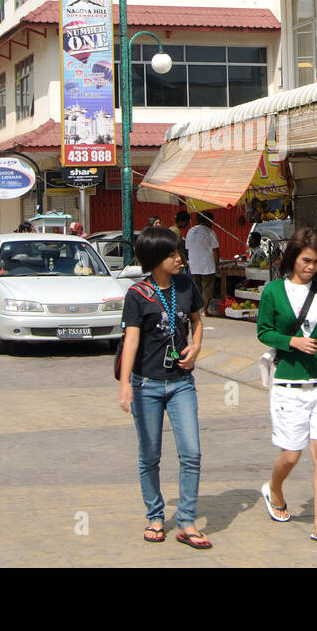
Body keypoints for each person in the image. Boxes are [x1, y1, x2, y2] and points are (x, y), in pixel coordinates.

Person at [116, 226, 209, 548]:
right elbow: (131, 340)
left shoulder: (185, 284)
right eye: (172, 255)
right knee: (150, 455)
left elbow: (197, 320)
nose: (180, 259)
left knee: (192, 453)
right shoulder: (137, 295)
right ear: (156, 259)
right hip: (146, 385)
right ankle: (155, 516)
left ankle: (186, 520)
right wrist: (126, 384)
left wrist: (196, 348)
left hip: (182, 382)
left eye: (179, 252)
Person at [256, 228, 317, 548]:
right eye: (306, 260)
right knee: (291, 455)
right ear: (293, 258)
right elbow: (264, 332)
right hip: (289, 385)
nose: (311, 267)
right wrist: (292, 341)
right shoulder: (273, 292)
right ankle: (274, 489)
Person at [185, 213, 220, 314]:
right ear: (208, 221)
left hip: (194, 265)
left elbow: (188, 248)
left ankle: (196, 310)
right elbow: (215, 249)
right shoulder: (210, 232)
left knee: (197, 288)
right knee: (207, 289)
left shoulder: (190, 231)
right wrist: (217, 263)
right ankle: (204, 311)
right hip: (207, 265)